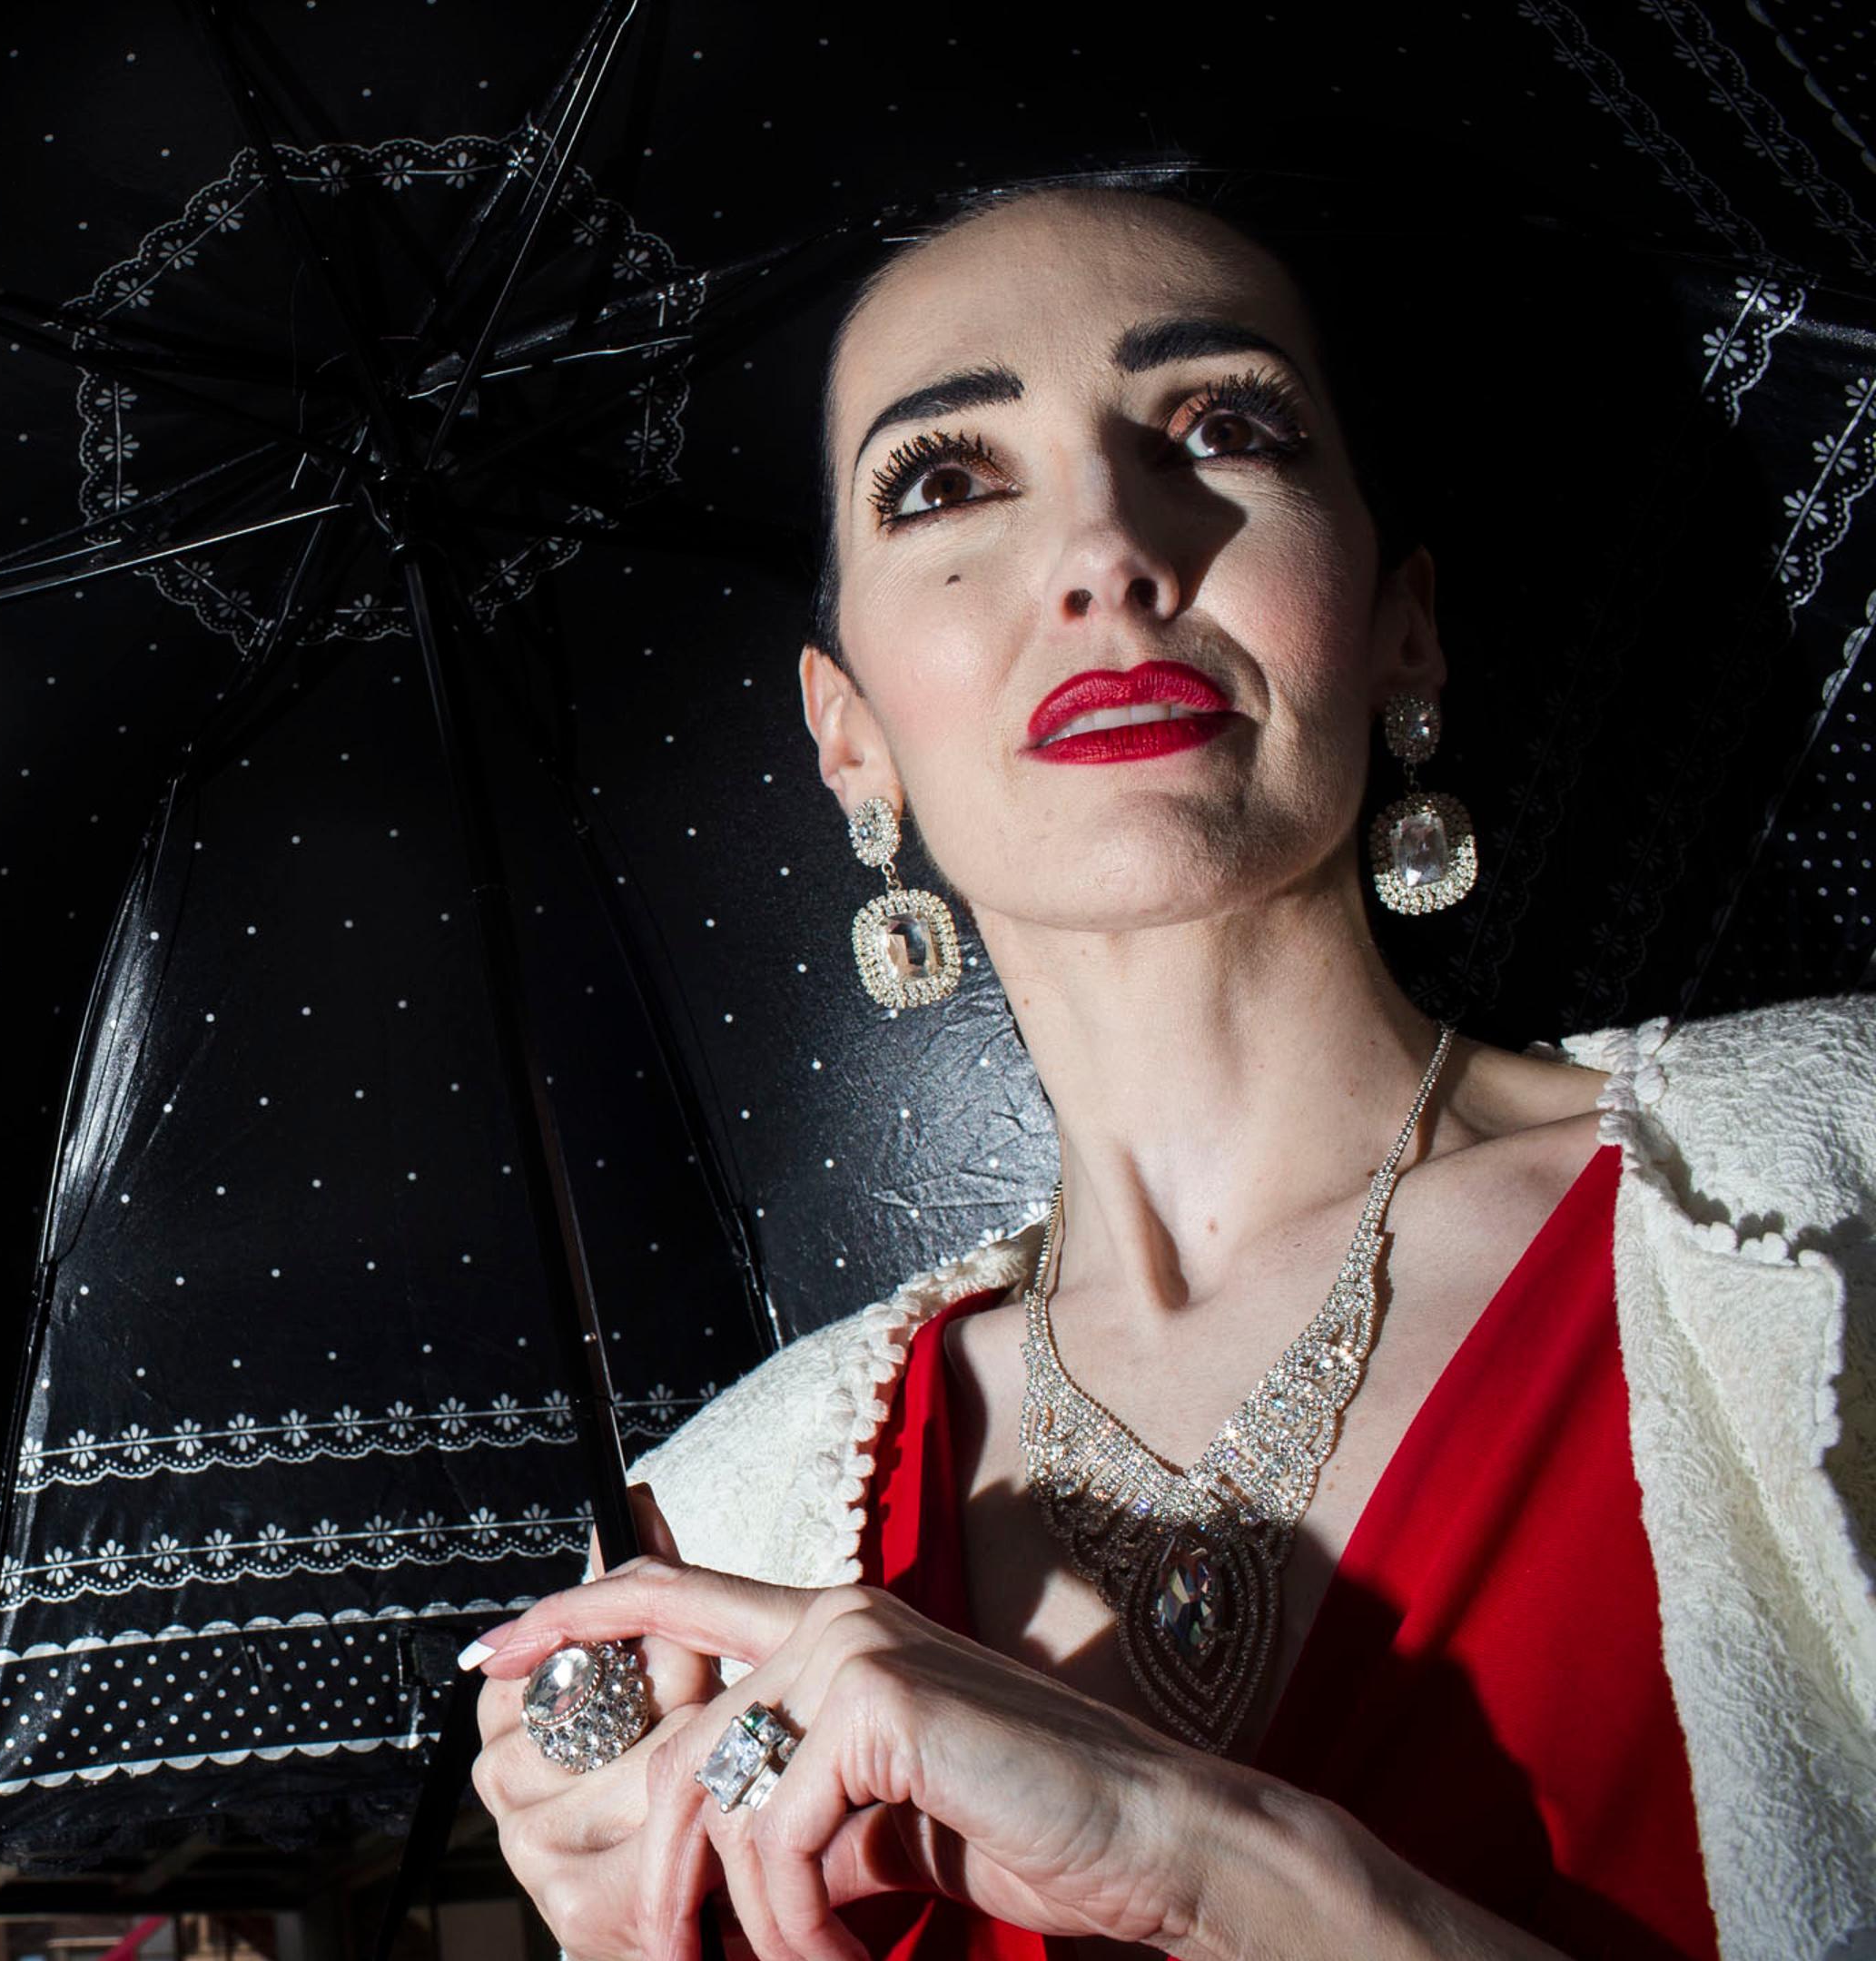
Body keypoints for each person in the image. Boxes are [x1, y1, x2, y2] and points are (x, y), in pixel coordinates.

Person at [458, 183, 1876, 1961]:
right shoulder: (716, 1536)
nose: (1109, 553)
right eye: (946, 482)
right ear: (852, 739)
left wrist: (1211, 1865)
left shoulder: (1839, 1196)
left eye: (1221, 426)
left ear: (1400, 626)